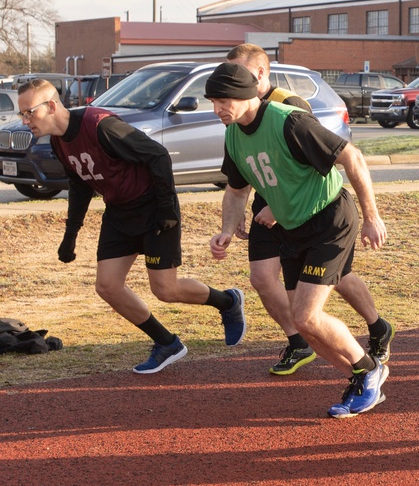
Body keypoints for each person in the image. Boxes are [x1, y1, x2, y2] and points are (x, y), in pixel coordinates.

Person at [17, 79, 246, 374]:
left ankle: (227, 301)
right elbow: (80, 184)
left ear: (50, 106)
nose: (25, 121)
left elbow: (157, 155)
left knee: (165, 289)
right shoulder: (58, 142)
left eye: (29, 112)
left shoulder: (100, 125)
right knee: (107, 286)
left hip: (153, 208)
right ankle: (167, 343)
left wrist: (165, 209)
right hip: (119, 213)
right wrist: (70, 234)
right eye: (22, 114)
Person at [206, 63, 390, 418]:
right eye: (213, 101)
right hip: (293, 228)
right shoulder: (233, 134)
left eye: (223, 100)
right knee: (302, 319)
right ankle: (362, 374)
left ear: (246, 95)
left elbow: (352, 156)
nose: (217, 109)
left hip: (330, 219)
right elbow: (235, 189)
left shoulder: (289, 121)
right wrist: (228, 228)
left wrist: (372, 217)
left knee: (306, 315)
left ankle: (369, 372)